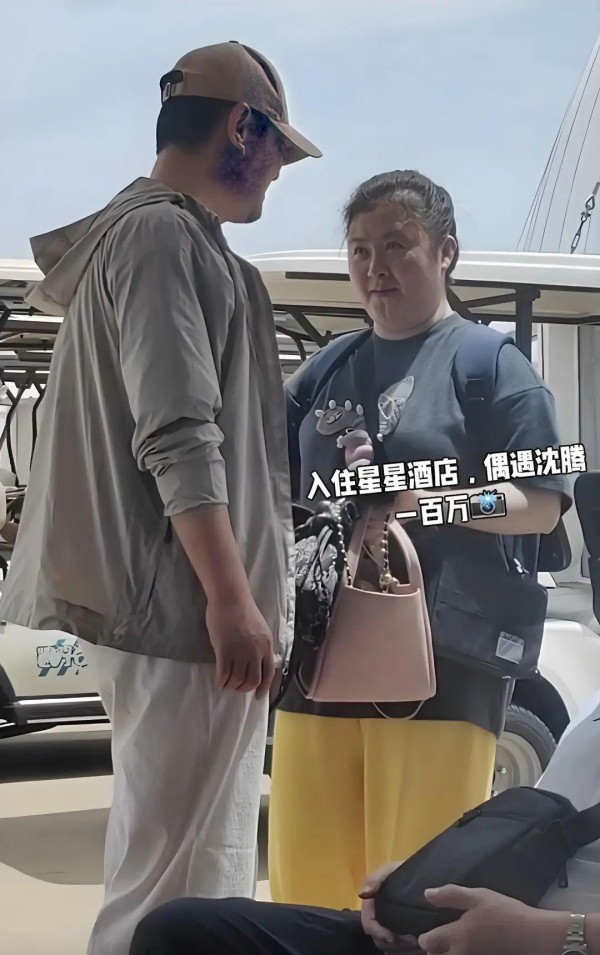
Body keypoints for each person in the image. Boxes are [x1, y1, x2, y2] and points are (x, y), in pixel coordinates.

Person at [0, 42, 320, 955]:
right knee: (175, 882)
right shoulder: (162, 237)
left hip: (180, 614)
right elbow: (178, 433)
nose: (278, 171)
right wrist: (231, 597)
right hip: (188, 616)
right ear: (242, 128)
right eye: (278, 148)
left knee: (185, 869)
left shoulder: (146, 238)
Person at [267, 169, 572, 910]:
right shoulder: (324, 369)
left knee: (415, 893)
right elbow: (272, 487)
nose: (375, 267)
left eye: (397, 245)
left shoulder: (489, 365)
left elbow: (539, 501)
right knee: (308, 888)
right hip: (319, 666)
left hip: (444, 670)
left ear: (446, 253)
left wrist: (423, 500)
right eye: (360, 250)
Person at [128, 688, 600, 954]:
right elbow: (544, 828)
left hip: (545, 942)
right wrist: (414, 884)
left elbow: (532, 508)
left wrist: (550, 934)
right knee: (180, 930)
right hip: (452, 933)